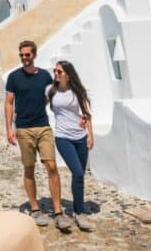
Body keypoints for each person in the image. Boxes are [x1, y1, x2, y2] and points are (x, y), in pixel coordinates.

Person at [5, 40, 69, 231]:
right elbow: (9, 103)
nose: (24, 58)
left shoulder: (45, 76)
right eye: (22, 55)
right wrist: (9, 128)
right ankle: (35, 208)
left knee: (51, 166)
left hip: (43, 126)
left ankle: (58, 212)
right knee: (29, 168)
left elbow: (53, 96)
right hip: (24, 129)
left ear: (34, 55)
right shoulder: (14, 77)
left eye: (28, 55)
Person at [47, 60, 95, 231]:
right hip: (63, 137)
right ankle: (80, 213)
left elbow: (86, 114)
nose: (56, 74)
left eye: (59, 72)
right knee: (77, 171)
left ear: (68, 74)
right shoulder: (51, 91)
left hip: (80, 137)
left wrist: (90, 135)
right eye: (55, 71)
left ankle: (77, 211)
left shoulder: (77, 92)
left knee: (80, 177)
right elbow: (39, 106)